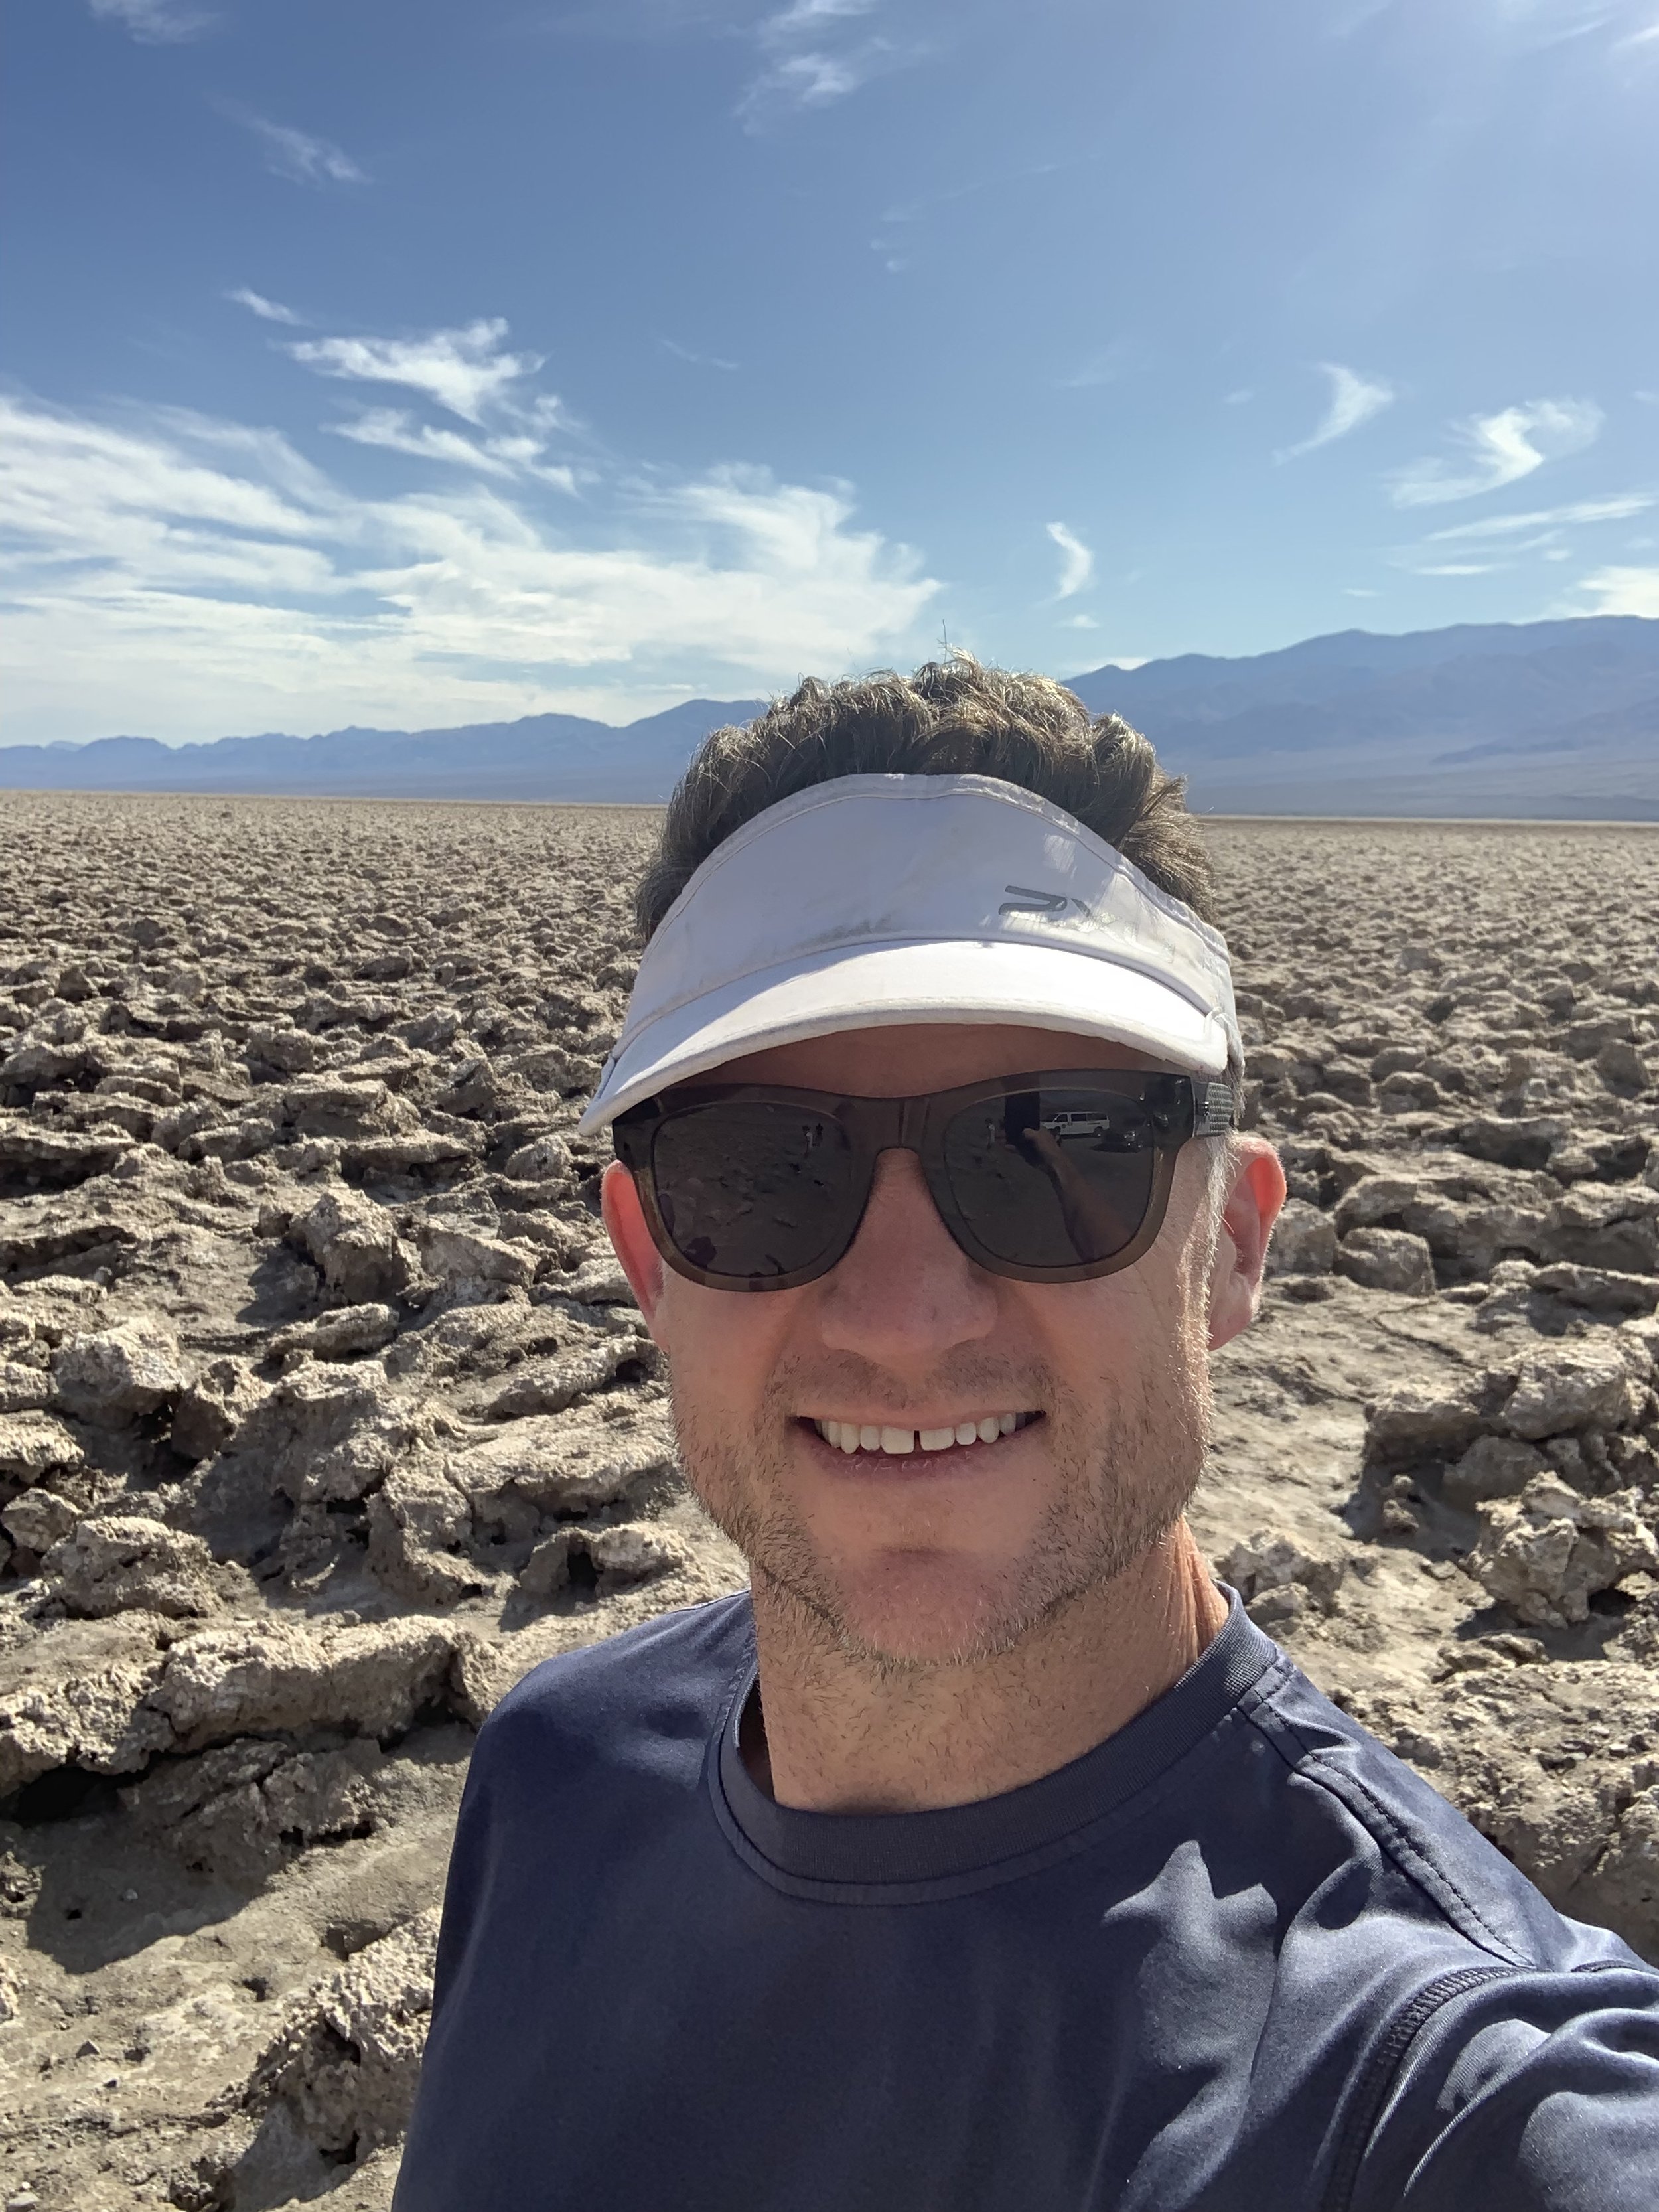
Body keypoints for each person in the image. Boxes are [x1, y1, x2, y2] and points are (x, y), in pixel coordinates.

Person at [394, 662, 1659, 2211]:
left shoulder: (1442, 2094)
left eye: (1059, 1147)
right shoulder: (553, 1775)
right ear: (646, 1260)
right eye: (757, 1173)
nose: (904, 1314)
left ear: (1234, 1245)